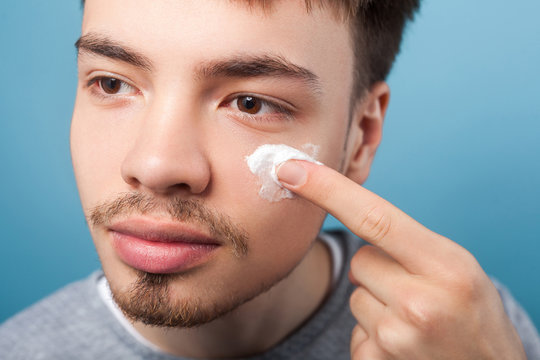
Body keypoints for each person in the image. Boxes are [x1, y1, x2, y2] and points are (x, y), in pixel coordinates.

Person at [1, 0, 539, 359]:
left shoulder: (460, 330)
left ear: (361, 135)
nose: (157, 166)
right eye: (113, 84)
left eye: (251, 102)